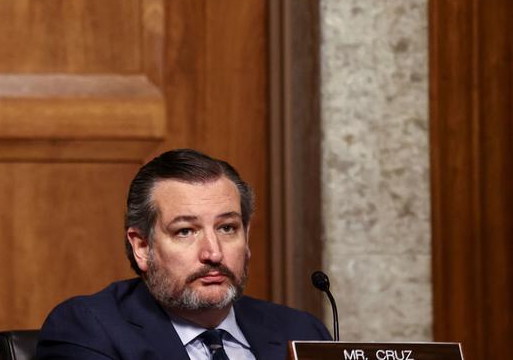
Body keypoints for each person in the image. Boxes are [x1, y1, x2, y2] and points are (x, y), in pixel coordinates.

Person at [36, 148, 330, 359]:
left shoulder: (302, 330)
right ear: (142, 246)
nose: (213, 253)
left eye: (227, 228)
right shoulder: (89, 330)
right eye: (185, 231)